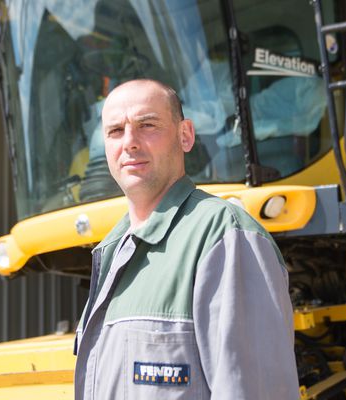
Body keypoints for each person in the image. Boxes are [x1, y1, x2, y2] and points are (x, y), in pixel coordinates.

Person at [74, 79, 299, 399]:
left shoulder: (224, 236)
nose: (129, 142)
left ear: (186, 135)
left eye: (147, 125)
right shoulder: (112, 251)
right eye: (114, 131)